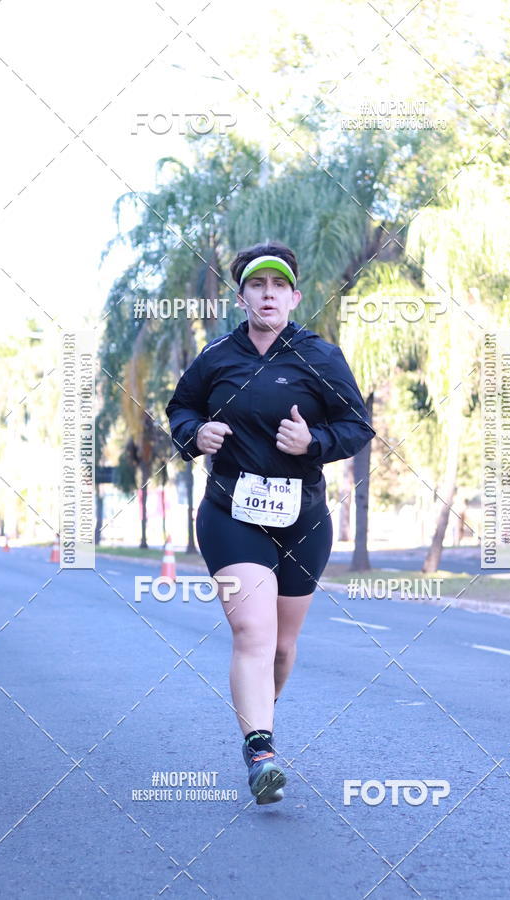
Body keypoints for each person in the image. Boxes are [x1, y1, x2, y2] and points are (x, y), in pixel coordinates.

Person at [165, 241, 375, 805]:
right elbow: (179, 409)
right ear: (242, 297)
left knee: (282, 647)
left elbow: (357, 427)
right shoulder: (215, 357)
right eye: (258, 286)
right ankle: (260, 751)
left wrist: (315, 443)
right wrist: (194, 435)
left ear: (294, 297)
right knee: (252, 634)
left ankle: (261, 713)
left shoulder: (320, 356)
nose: (268, 295)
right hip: (231, 512)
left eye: (278, 286)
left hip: (302, 516)